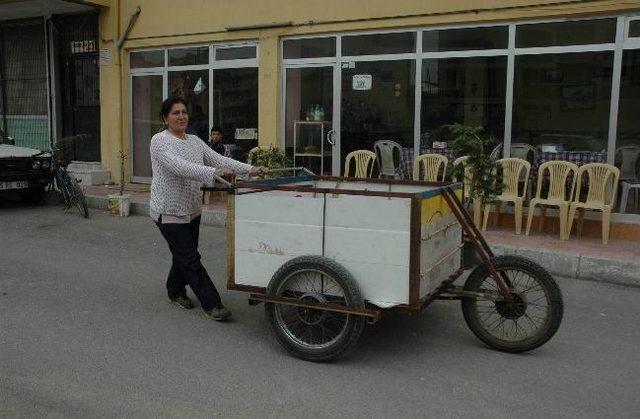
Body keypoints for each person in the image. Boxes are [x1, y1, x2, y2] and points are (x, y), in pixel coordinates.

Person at [149, 96, 267, 321]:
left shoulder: (194, 140)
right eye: (176, 113)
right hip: (168, 210)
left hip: (192, 208)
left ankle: (174, 290)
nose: (181, 116)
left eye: (184, 112)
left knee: (183, 254)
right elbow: (179, 167)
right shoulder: (159, 141)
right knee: (190, 258)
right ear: (166, 118)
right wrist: (213, 173)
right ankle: (212, 304)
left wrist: (251, 169)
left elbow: (218, 159)